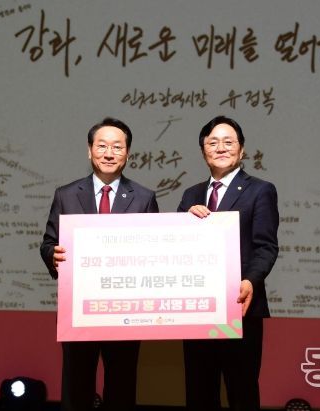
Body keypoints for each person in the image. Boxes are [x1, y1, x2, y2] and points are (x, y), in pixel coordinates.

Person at [40, 117, 159, 411]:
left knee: (121, 387)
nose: (109, 153)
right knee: (76, 387)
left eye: (117, 147)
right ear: (89, 150)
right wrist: (52, 255)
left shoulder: (144, 198)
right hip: (79, 309)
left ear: (127, 154)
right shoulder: (66, 195)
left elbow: (155, 251)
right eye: (102, 146)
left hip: (126, 311)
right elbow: (48, 242)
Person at [177, 115, 279, 411]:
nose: (220, 148)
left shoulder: (260, 190)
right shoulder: (191, 195)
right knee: (199, 394)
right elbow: (176, 249)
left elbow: (265, 246)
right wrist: (184, 222)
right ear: (203, 151)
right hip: (198, 311)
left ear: (241, 149)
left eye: (228, 142)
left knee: (242, 393)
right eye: (213, 142)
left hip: (240, 307)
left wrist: (250, 280)